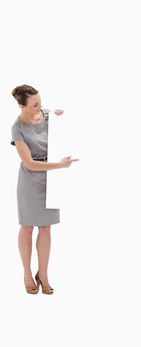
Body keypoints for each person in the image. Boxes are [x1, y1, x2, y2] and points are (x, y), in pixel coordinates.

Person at [11, 84, 79, 294]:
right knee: (27, 227)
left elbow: (69, 130)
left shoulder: (49, 116)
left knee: (47, 228)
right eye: (35, 104)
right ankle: (27, 273)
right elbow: (30, 163)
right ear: (22, 106)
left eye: (41, 101)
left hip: (53, 180)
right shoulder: (18, 128)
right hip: (31, 180)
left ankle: (44, 273)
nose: (41, 106)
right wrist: (59, 165)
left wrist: (63, 118)